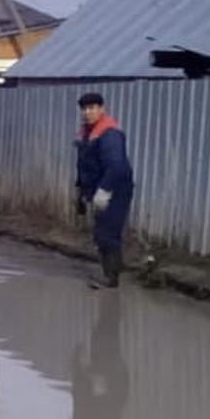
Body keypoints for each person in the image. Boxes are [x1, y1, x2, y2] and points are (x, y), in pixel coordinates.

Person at [75, 92, 134, 289]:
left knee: (107, 234)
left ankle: (112, 278)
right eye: (84, 109)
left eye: (92, 108)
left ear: (101, 109)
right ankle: (112, 271)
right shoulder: (87, 133)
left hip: (116, 189)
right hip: (99, 188)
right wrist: (81, 193)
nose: (87, 112)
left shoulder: (109, 134)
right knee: (102, 232)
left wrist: (105, 190)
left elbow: (117, 166)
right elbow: (84, 166)